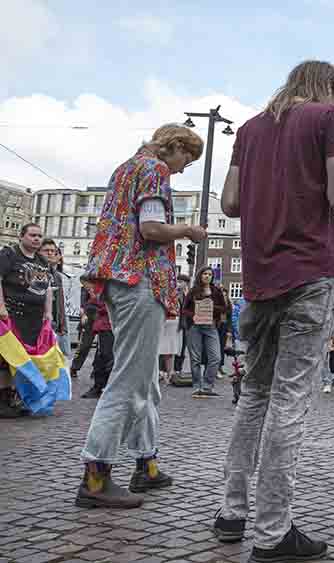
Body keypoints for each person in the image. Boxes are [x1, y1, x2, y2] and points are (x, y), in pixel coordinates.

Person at [215, 60, 334, 562]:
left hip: (258, 280)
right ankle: (273, 533)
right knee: (290, 401)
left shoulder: (250, 129)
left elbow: (230, 202)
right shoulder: (329, 119)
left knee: (253, 395)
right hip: (308, 276)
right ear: (328, 89)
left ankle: (232, 513)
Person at [76, 123, 206, 509]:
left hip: (118, 279)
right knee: (129, 379)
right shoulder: (155, 169)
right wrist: (188, 230)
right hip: (140, 279)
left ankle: (145, 462)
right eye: (187, 158)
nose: (183, 168)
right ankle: (96, 475)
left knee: (145, 376)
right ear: (175, 147)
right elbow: (151, 229)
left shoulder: (124, 168)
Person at [0, 224, 53, 419]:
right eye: (32, 235)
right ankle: (3, 400)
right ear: (22, 236)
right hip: (10, 315)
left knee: (27, 360)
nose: (37, 239)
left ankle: (20, 398)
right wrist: (1, 307)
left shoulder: (42, 261)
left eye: (40, 236)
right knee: (7, 359)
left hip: (34, 319)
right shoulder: (9, 254)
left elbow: (47, 289)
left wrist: (48, 313)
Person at [181, 267, 226, 398]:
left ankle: (207, 386)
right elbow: (184, 309)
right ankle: (197, 386)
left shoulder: (216, 291)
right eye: (205, 274)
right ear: (200, 276)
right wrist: (193, 314)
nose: (207, 276)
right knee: (195, 358)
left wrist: (212, 307)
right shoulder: (193, 291)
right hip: (195, 327)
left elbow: (224, 308)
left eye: (210, 274)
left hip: (211, 326)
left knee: (216, 358)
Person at [80, 287, 114, 400]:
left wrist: (96, 298)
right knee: (102, 356)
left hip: (109, 326)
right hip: (106, 326)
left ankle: (102, 387)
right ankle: (100, 386)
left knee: (105, 356)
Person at [40, 239, 70, 359]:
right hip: (41, 323)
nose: (50, 253)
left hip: (56, 325)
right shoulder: (36, 271)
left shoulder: (57, 275)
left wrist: (62, 326)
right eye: (46, 250)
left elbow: (60, 304)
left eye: (53, 251)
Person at [71, 285, 97, 378]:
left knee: (102, 347)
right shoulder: (88, 283)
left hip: (102, 315)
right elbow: (82, 303)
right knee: (84, 344)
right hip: (89, 316)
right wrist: (83, 314)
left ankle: (97, 370)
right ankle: (74, 367)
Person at [173, 274, 190, 375]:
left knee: (182, 347)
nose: (179, 284)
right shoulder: (175, 293)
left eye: (181, 282)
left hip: (185, 324)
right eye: (178, 281)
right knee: (175, 346)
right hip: (176, 323)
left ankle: (178, 368)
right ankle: (171, 368)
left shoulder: (188, 294)